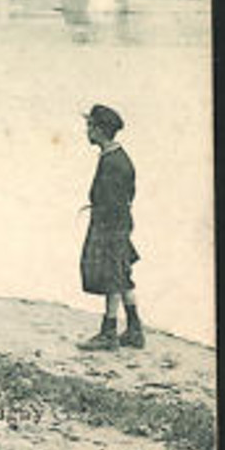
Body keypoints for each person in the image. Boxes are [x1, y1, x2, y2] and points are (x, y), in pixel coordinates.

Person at [77, 104, 144, 351]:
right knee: (122, 276)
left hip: (111, 226)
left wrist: (107, 232)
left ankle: (109, 333)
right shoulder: (115, 158)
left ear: (100, 130)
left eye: (90, 126)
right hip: (117, 224)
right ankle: (135, 331)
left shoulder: (115, 162)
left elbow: (116, 201)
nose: (87, 131)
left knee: (112, 276)